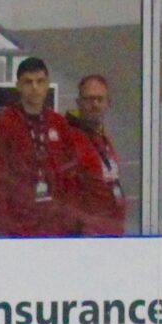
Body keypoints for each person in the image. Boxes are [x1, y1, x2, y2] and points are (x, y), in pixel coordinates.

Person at [0, 57, 95, 235]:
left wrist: (72, 220)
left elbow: (71, 176)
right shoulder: (3, 126)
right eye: (28, 82)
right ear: (18, 85)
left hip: (56, 226)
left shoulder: (59, 124)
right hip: (19, 226)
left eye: (40, 81)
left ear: (47, 85)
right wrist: (4, 226)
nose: (34, 87)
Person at [66, 72, 127, 235]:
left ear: (108, 103)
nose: (95, 104)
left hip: (111, 231)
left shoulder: (102, 137)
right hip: (86, 235)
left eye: (100, 99)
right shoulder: (69, 138)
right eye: (89, 99)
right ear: (79, 103)